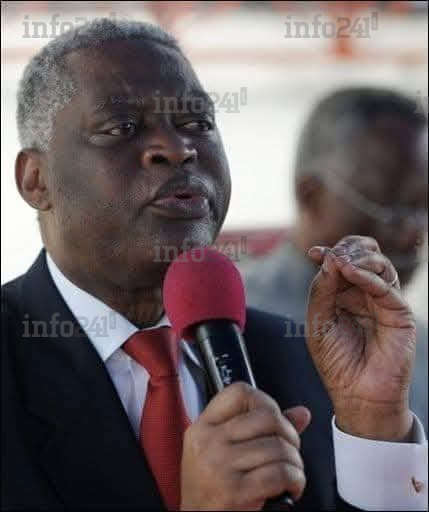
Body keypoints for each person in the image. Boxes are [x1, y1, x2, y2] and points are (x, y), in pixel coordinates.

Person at [1, 20, 427, 511]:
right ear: (36, 180)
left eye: (197, 124)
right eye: (122, 128)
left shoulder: (295, 357)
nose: (178, 149)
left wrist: (375, 427)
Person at [242, 87, 428, 431]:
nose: (411, 234)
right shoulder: (234, 322)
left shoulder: (417, 340)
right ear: (311, 194)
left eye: (423, 207)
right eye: (390, 207)